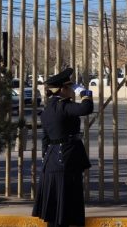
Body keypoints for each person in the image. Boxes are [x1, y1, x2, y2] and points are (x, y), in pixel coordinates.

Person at [33, 68, 94, 227]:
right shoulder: (64, 106)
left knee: (55, 211)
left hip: (51, 162)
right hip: (67, 160)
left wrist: (46, 158)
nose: (71, 90)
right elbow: (87, 108)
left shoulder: (47, 110)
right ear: (62, 89)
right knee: (67, 209)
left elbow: (45, 139)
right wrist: (84, 92)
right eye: (69, 87)